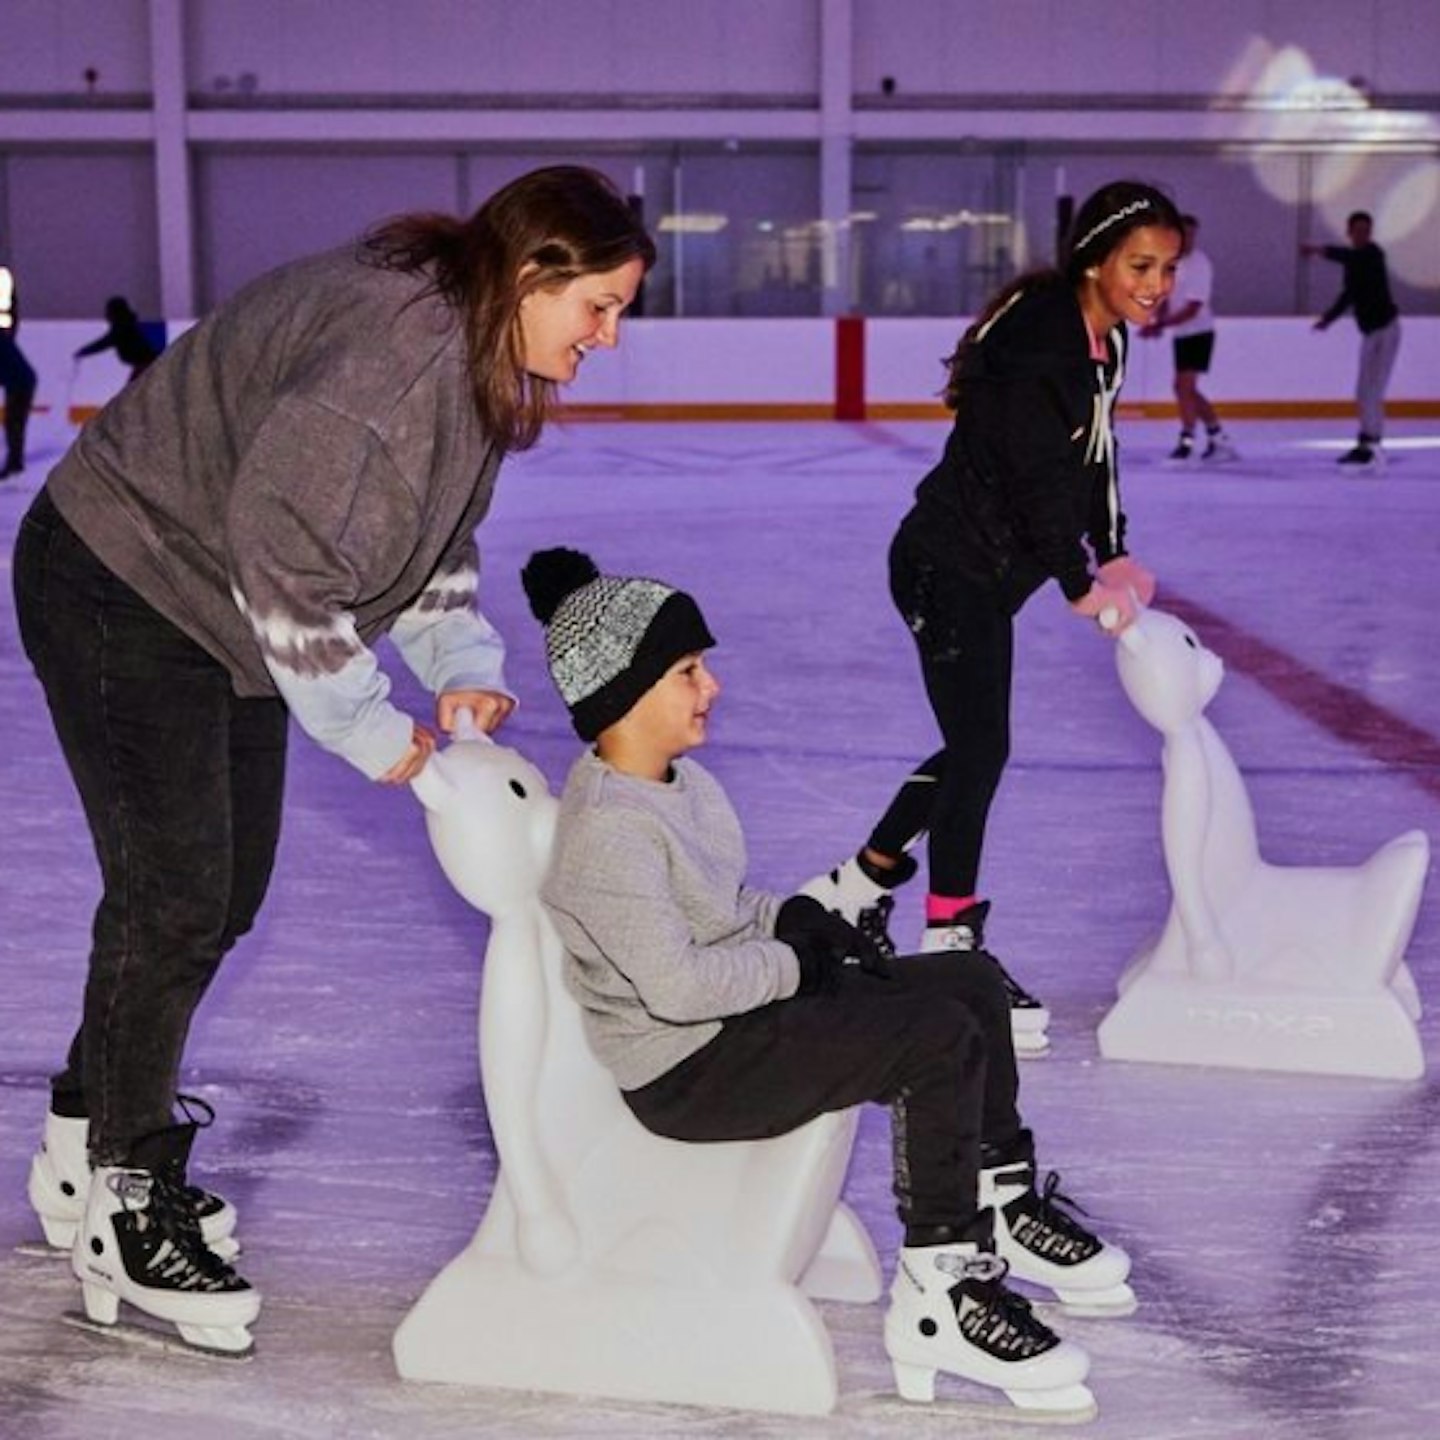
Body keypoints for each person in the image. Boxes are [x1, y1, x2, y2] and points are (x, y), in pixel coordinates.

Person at [12, 165, 654, 1353]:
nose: (607, 338)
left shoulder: (470, 358)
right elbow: (287, 552)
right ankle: (125, 1193)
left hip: (218, 606)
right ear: (531, 276)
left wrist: (458, 655)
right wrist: (369, 727)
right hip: (122, 576)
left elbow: (429, 538)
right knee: (177, 893)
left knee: (219, 891)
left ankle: (84, 1126)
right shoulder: (396, 359)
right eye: (599, 308)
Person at [523, 546, 1133, 1418]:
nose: (711, 687)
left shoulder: (679, 786)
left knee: (966, 983)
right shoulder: (609, 834)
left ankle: (997, 1204)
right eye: (688, 671)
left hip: (735, 1022)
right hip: (688, 1071)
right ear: (622, 694)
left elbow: (724, 909)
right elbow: (679, 990)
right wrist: (799, 961)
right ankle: (940, 1290)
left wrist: (801, 920)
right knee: (932, 1041)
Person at [801, 181, 1184, 1058]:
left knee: (972, 746)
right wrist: (1079, 579)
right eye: (1141, 265)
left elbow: (1099, 453)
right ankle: (950, 947)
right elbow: (1035, 478)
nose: (1157, 283)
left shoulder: (1105, 339)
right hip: (946, 567)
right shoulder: (1040, 336)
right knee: (981, 749)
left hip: (986, 572)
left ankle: (859, 886)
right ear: (1096, 259)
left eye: (1167, 267)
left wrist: (1115, 545)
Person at [1301, 211, 1402, 472]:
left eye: (1366, 229)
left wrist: (1319, 250)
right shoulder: (1355, 262)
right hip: (1371, 332)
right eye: (1357, 229)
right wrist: (1328, 319)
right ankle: (1366, 442)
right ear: (1349, 232)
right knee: (1363, 391)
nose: (1363, 234)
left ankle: (1373, 444)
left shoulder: (1372, 254)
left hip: (1386, 330)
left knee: (1373, 390)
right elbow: (1349, 295)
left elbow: (1351, 258)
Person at [1139, 213, 1237, 464]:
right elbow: (1166, 297)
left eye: (1192, 234)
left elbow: (1193, 308)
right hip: (1183, 333)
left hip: (1199, 332)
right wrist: (1158, 320)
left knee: (1184, 386)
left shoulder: (1199, 264)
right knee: (1184, 388)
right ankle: (1217, 436)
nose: (1188, 238)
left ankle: (1187, 440)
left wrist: (1161, 324)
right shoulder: (1171, 262)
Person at [1, 260, 38, 478]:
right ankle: (15, 462)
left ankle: (14, 463)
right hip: (21, 383)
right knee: (13, 425)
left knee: (13, 424)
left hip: (21, 385)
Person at [74, 294, 160, 383]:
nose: (106, 315)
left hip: (145, 365)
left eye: (108, 312)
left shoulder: (122, 328)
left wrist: (84, 351)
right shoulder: (127, 325)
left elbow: (103, 343)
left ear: (114, 313)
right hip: (147, 364)